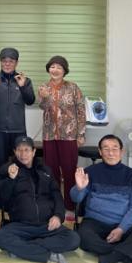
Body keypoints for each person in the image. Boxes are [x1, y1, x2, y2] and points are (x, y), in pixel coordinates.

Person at [70, 134, 132, 263]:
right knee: (83, 236)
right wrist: (79, 188)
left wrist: (121, 229)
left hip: (122, 223)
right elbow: (76, 198)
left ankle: (111, 254)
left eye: (115, 149)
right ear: (100, 152)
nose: (110, 153)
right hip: (94, 222)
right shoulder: (90, 172)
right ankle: (127, 254)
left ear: (121, 152)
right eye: (106, 149)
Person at [0, 136, 80, 263]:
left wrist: (58, 216)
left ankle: (23, 249)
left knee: (74, 239)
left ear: (33, 152)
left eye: (27, 150)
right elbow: (2, 200)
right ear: (15, 152)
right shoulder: (7, 170)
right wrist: (11, 179)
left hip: (47, 225)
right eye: (19, 150)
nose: (23, 154)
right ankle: (48, 254)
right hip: (21, 225)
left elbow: (57, 195)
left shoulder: (46, 170)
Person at [38, 55, 86, 218]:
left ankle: (70, 206)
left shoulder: (73, 87)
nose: (55, 70)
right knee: (51, 172)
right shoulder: (44, 87)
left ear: (64, 71)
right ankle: (54, 204)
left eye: (59, 67)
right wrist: (45, 96)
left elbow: (81, 111)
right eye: (52, 67)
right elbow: (43, 107)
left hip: (69, 136)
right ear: (48, 69)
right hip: (49, 135)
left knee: (69, 170)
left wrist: (81, 134)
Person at [0, 48, 35, 195]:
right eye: (4, 61)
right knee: (1, 164)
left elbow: (30, 101)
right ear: (0, 62)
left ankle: (21, 195)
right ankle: (1, 197)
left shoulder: (24, 80)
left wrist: (23, 87)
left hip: (18, 130)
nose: (7, 64)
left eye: (11, 61)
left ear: (16, 63)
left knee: (21, 162)